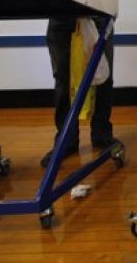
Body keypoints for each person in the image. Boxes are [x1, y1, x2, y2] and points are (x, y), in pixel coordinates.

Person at [41, 15, 122, 168]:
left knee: (103, 77)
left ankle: (102, 134)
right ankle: (66, 140)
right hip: (61, 16)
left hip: (98, 14)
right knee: (63, 81)